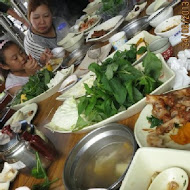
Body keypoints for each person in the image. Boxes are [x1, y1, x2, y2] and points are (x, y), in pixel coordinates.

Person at [24, 0, 69, 65]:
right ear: (29, 18)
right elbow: (49, 65)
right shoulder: (31, 42)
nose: (42, 22)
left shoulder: (59, 21)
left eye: (46, 16)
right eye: (36, 17)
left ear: (51, 14)